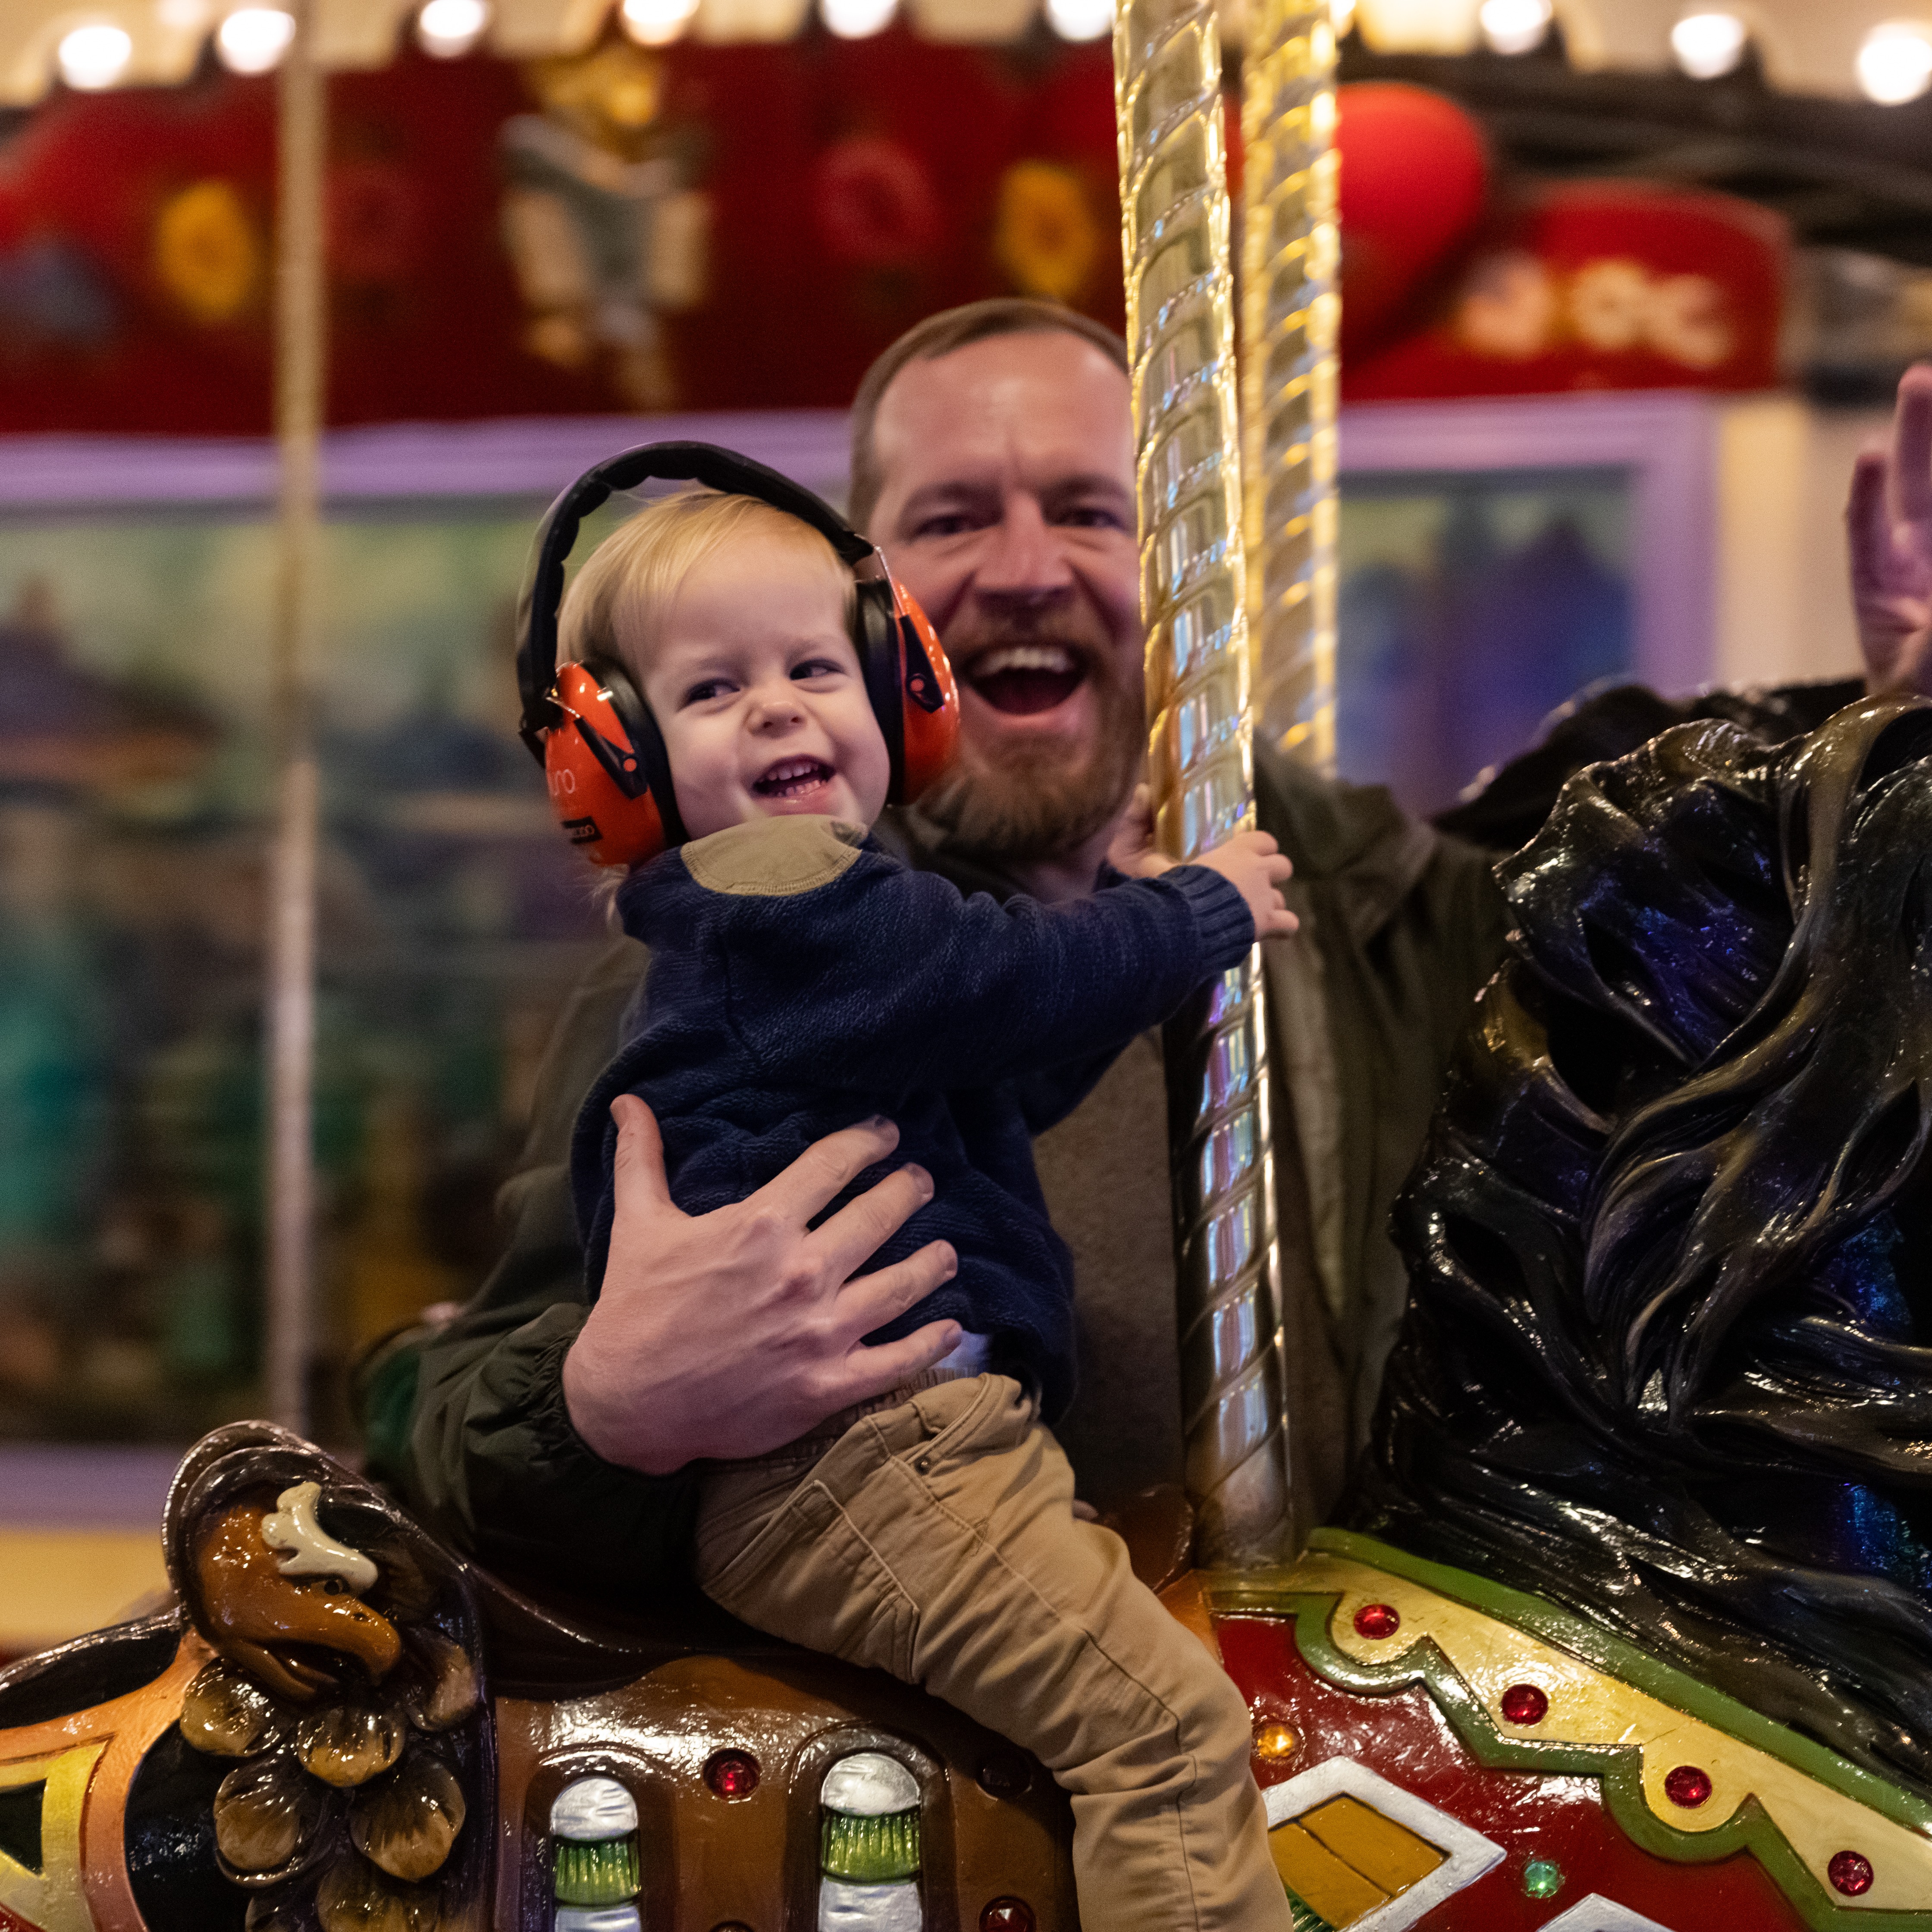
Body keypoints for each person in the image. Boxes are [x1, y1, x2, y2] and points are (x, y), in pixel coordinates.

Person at [361, 311, 1932, 1607]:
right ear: (883, 621)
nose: (1029, 567)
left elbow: (1756, 1021)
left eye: (1091, 510)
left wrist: (1895, 754)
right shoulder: (743, 953)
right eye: (954, 519)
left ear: (1179, 569)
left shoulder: (1404, 914)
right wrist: (608, 1408)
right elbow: (440, 1421)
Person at [553, 482, 1296, 1926]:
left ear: (901, 698)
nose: (777, 711)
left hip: (899, 1455)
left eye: (814, 670)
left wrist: (1142, 944)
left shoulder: (814, 937)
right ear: (621, 759)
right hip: (876, 1461)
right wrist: (1197, 912)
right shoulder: (785, 889)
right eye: (714, 689)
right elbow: (1008, 981)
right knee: (1168, 1740)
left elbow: (1005, 1064)